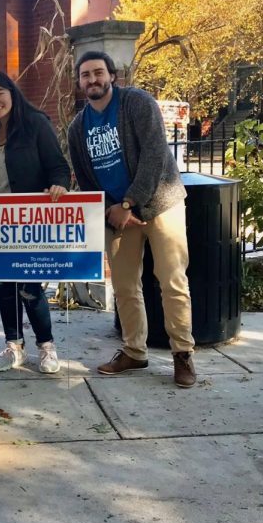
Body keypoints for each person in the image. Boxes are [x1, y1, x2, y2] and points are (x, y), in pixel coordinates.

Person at [67, 51, 196, 388]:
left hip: (160, 204)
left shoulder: (136, 103)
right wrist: (113, 208)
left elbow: (155, 155)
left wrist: (130, 202)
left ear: (112, 75)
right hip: (117, 215)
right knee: (124, 286)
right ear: (79, 82)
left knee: (172, 281)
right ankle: (134, 351)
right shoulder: (77, 128)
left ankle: (182, 355)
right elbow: (85, 178)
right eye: (85, 75)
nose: (92, 79)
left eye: (98, 72)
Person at [0, 71, 71, 375]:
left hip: (27, 222)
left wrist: (58, 185)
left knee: (30, 286)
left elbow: (58, 166)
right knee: (5, 286)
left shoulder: (35, 124)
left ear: (12, 93)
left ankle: (46, 347)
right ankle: (14, 346)